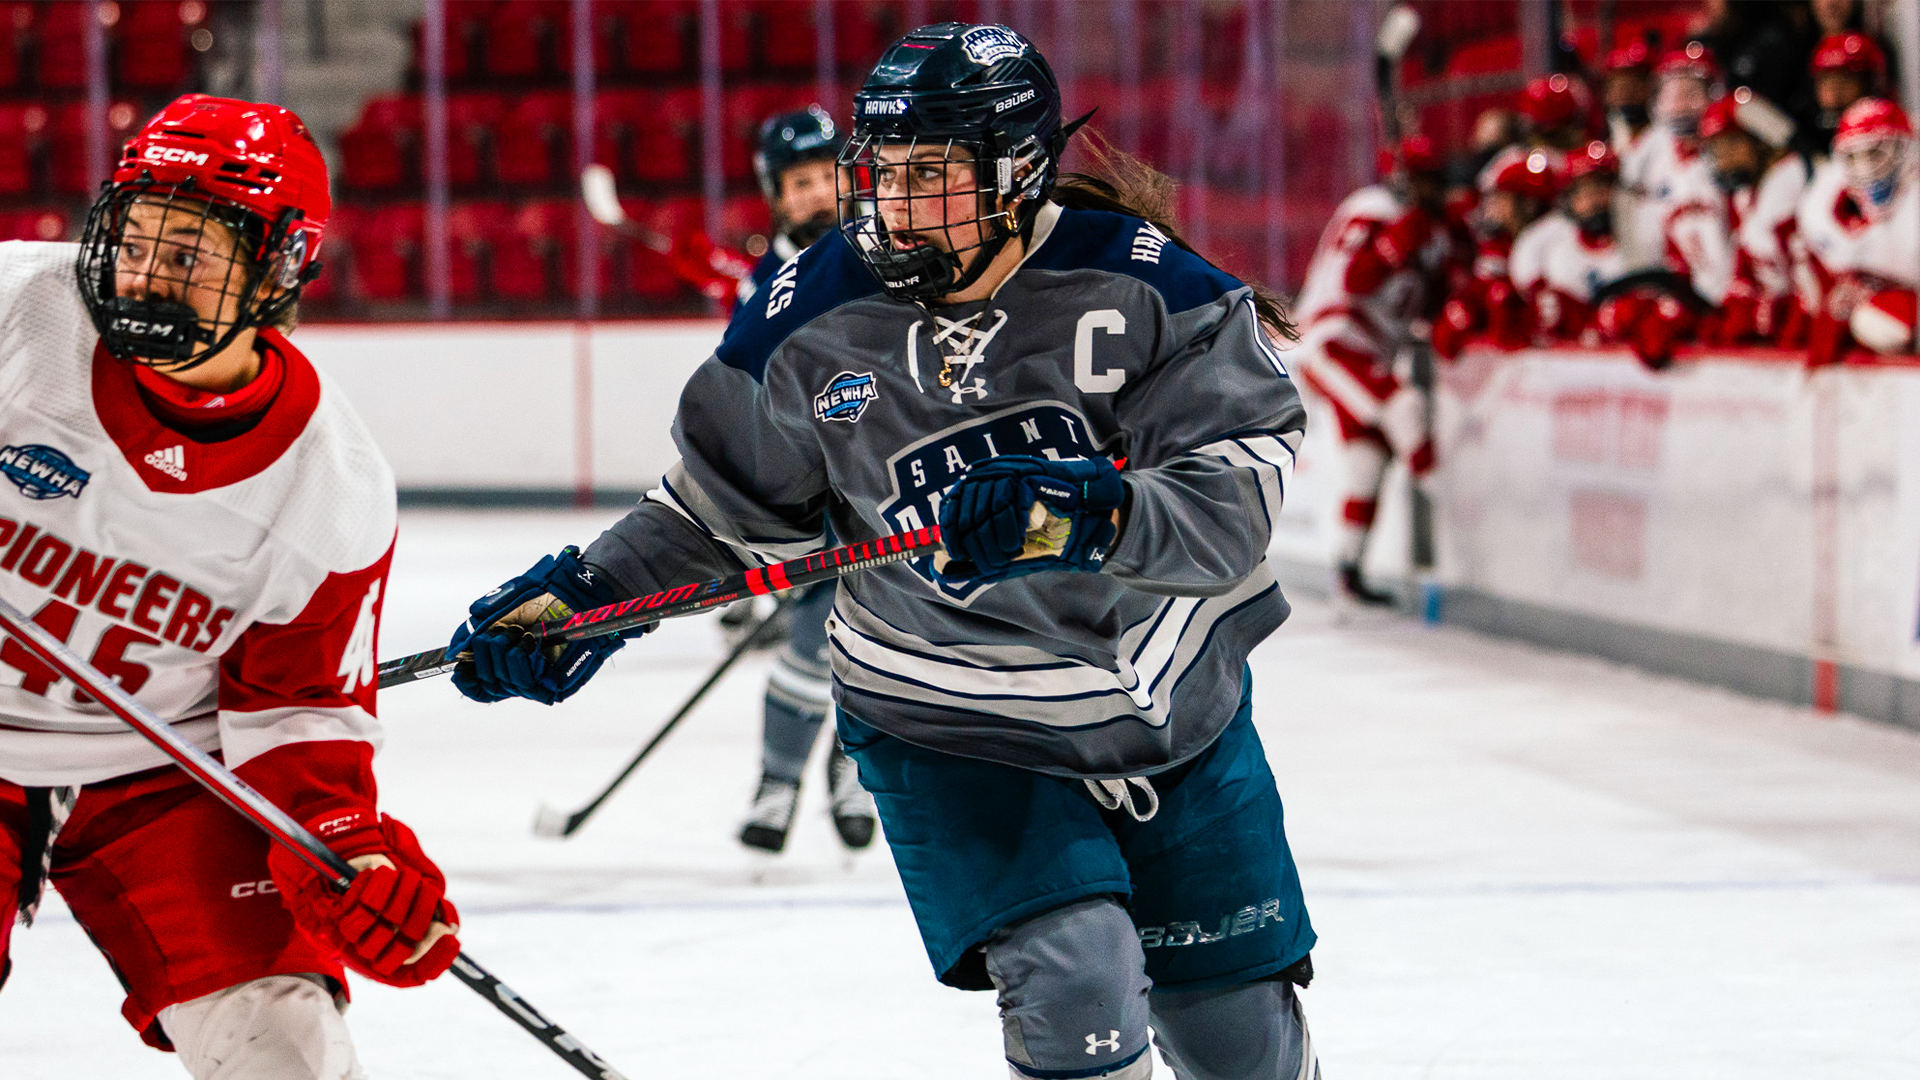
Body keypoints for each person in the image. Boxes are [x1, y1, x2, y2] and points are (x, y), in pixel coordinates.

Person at [447, 21, 1320, 1080]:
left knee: (1243, 1050)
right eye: (886, 172)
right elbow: (712, 513)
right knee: (1077, 981)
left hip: (1178, 714)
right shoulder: (807, 313)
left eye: (934, 175)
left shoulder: (1153, 289)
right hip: (950, 720)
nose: (896, 203)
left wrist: (1082, 516)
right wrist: (589, 596)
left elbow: (1234, 499)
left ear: (1018, 171)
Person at [0, 95, 458, 1079]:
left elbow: (298, 711)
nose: (147, 276)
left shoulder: (330, 485)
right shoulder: (17, 308)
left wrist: (348, 849)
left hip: (157, 772)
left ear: (279, 263)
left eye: (189, 254)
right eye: (134, 240)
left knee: (287, 1048)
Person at [731, 103, 877, 855]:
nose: (817, 193)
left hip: (884, 488)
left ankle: (853, 775)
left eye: (827, 177)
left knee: (883, 639)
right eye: (800, 183)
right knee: (811, 643)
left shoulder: (881, 258)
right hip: (809, 497)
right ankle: (778, 780)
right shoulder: (762, 285)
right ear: (775, 193)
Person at [1292, 135, 1452, 605]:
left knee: (1368, 459)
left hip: (1369, 350)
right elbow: (1354, 279)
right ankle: (1449, 534)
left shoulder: (1431, 227)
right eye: (1420, 178)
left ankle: (1347, 571)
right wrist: (1394, 246)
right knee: (1405, 408)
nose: (1427, 189)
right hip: (1335, 340)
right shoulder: (1375, 208)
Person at [1797, 98, 1918, 363]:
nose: (1866, 168)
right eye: (1853, 156)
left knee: (1877, 321)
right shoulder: (1822, 203)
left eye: (1875, 153)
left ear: (1907, 148)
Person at [1433, 147, 1559, 359]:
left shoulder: (1555, 239)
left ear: (1528, 203)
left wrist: (1517, 313)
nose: (1496, 207)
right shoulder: (1500, 245)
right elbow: (1478, 292)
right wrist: (1463, 311)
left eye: (1503, 198)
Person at [1511, 141, 1635, 346]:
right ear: (1570, 202)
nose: (1593, 201)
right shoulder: (1559, 254)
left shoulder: (1644, 236)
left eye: (1601, 189)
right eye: (1582, 194)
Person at [1619, 43, 1720, 270]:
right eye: (1674, 93)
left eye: (1692, 92)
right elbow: (1630, 218)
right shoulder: (1645, 154)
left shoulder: (1726, 145)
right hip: (1668, 273)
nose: (1682, 104)